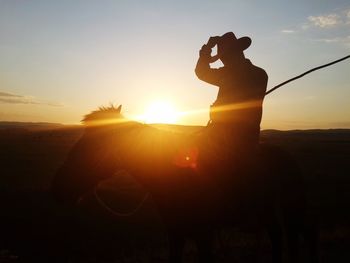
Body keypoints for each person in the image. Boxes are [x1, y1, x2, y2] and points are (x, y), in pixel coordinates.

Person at [195, 32, 268, 162]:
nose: (223, 60)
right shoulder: (261, 73)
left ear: (231, 55)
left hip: (223, 138)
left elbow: (201, 72)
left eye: (224, 56)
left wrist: (207, 49)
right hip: (250, 138)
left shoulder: (227, 74)